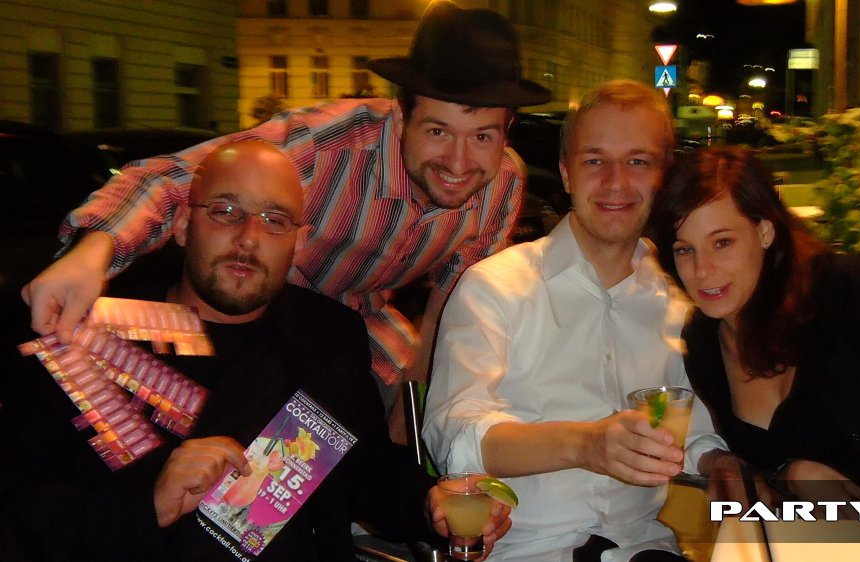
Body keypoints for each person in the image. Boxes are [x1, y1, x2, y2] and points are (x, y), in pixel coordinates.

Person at [19, 0, 551, 443]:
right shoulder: (325, 144)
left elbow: (454, 305)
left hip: (358, 327)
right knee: (216, 457)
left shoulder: (502, 184)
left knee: (430, 436)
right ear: (401, 114)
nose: (459, 162)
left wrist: (414, 402)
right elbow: (170, 179)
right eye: (437, 130)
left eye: (482, 136)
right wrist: (91, 255)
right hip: (248, 315)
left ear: (506, 132)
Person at [0, 141, 511, 560]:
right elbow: (22, 520)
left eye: (275, 219)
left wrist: (431, 501)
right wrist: (149, 502)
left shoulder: (327, 333)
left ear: (299, 243)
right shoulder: (82, 342)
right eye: (225, 212)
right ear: (182, 225)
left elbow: (363, 472)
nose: (248, 238)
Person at [422, 81, 728, 562]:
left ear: (663, 177)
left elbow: (693, 429)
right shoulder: (494, 287)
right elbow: (455, 439)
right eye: (594, 161)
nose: (615, 182)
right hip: (524, 552)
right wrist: (585, 444)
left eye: (638, 161)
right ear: (566, 173)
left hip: (644, 546)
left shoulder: (679, 299)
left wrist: (717, 460)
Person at [648, 146, 860, 501]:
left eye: (722, 242)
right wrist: (775, 473)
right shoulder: (704, 343)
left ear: (765, 231)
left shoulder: (852, 291)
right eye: (684, 249)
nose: (702, 270)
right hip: (829, 530)